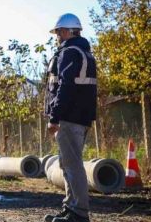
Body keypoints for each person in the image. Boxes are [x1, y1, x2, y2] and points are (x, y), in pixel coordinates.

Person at [44, 13, 97, 222]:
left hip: (69, 118)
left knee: (72, 165)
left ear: (67, 31)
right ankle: (71, 208)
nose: (57, 36)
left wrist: (54, 117)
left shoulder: (69, 52)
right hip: (81, 117)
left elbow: (65, 88)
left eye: (58, 32)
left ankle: (78, 213)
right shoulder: (84, 53)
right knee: (68, 164)